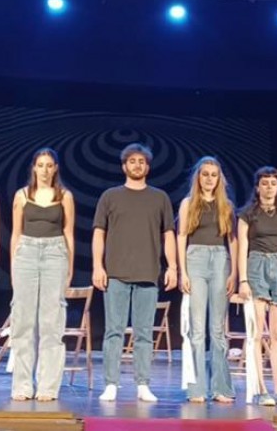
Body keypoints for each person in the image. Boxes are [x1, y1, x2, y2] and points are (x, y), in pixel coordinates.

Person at [93, 143, 177, 403]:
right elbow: (99, 232)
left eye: (141, 161)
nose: (137, 165)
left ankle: (143, 384)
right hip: (116, 273)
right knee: (113, 331)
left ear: (147, 167)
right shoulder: (110, 196)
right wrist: (98, 266)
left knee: (144, 333)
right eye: (132, 161)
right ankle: (111, 384)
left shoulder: (159, 197)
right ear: (124, 166)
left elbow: (169, 234)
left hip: (148, 273)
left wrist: (173, 266)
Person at [9, 148, 75, 402]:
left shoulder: (65, 196)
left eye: (49, 165)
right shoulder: (22, 195)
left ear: (55, 168)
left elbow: (68, 232)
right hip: (26, 252)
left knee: (51, 323)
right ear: (34, 168)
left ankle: (48, 386)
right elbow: (15, 233)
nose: (45, 170)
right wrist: (14, 266)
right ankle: (23, 385)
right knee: (23, 322)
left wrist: (68, 267)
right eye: (40, 165)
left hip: (55, 252)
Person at [177, 156, 237, 404]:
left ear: (219, 178)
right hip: (196, 259)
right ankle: (197, 388)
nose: (209, 178)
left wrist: (234, 272)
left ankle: (221, 387)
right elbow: (181, 237)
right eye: (205, 174)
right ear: (198, 177)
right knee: (197, 328)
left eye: (214, 174)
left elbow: (232, 239)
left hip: (220, 261)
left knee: (217, 329)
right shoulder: (188, 203)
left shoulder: (227, 205)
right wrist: (183, 272)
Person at [238, 166, 277, 407]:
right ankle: (261, 389)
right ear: (257, 187)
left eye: (273, 183)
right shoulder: (247, 214)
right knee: (256, 334)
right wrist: (243, 279)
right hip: (256, 265)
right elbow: (242, 247)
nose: (269, 187)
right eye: (264, 183)